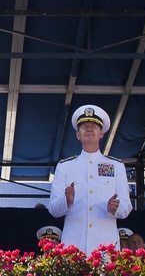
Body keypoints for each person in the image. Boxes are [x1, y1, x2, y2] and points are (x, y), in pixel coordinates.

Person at [48, 104, 131, 255]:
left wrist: (115, 208)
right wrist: (67, 201)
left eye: (94, 127)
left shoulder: (116, 166)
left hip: (106, 249)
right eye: (85, 126)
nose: (89, 129)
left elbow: (126, 207)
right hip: (74, 247)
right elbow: (53, 208)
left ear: (102, 134)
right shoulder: (65, 166)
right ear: (78, 135)